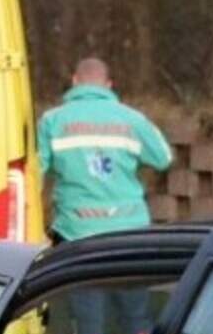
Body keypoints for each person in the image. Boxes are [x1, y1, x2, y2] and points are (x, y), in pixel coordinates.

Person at [35, 57, 173, 240]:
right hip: (131, 228)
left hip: (74, 230)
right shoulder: (134, 119)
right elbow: (163, 158)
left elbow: (33, 174)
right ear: (109, 85)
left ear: (75, 81)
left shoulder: (51, 121)